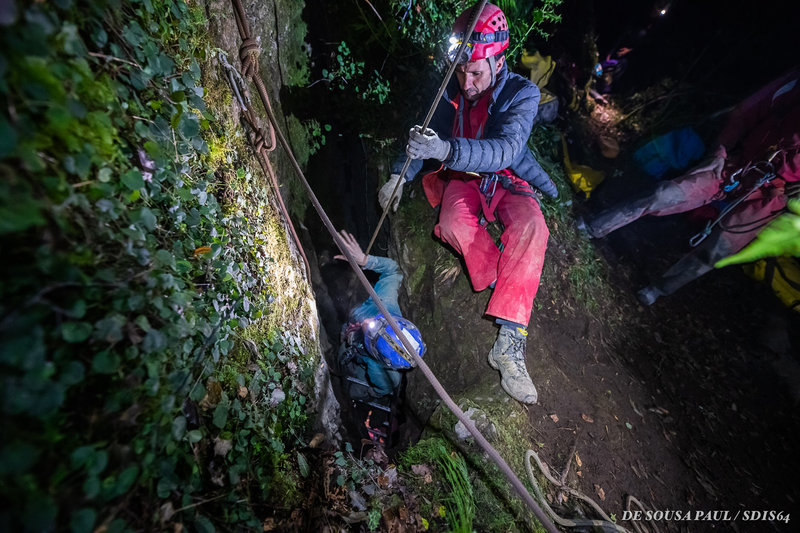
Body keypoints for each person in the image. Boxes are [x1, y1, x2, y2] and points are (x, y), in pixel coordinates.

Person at [378, 3, 558, 404]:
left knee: (533, 227)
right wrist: (398, 175)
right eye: (461, 69)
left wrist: (444, 148)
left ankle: (509, 344)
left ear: (499, 61)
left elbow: (506, 150)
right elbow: (424, 130)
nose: (467, 79)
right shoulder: (452, 86)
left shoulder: (522, 93)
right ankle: (505, 278)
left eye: (476, 70)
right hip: (462, 177)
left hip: (504, 177)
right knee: (453, 224)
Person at [578, 66, 800, 305]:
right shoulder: (794, 84)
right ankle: (594, 227)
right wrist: (719, 152)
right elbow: (744, 113)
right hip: (736, 165)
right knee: (665, 194)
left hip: (772, 195)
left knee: (719, 249)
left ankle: (659, 289)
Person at [331, 230, 426, 443]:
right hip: (349, 331)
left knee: (354, 391)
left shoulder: (387, 376)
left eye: (370, 335)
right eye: (376, 325)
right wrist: (365, 260)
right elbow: (394, 272)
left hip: (352, 358)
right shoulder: (386, 306)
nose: (367, 324)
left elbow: (380, 389)